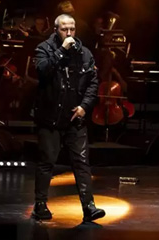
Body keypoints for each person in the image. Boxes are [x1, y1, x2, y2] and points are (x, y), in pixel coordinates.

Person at [31, 14, 104, 223]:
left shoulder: (84, 53)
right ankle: (40, 204)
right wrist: (61, 50)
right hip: (50, 117)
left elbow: (93, 82)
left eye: (72, 28)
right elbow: (42, 71)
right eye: (64, 29)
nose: (69, 33)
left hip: (75, 117)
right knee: (47, 161)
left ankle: (89, 207)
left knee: (81, 163)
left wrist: (85, 106)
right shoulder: (44, 49)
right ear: (56, 30)